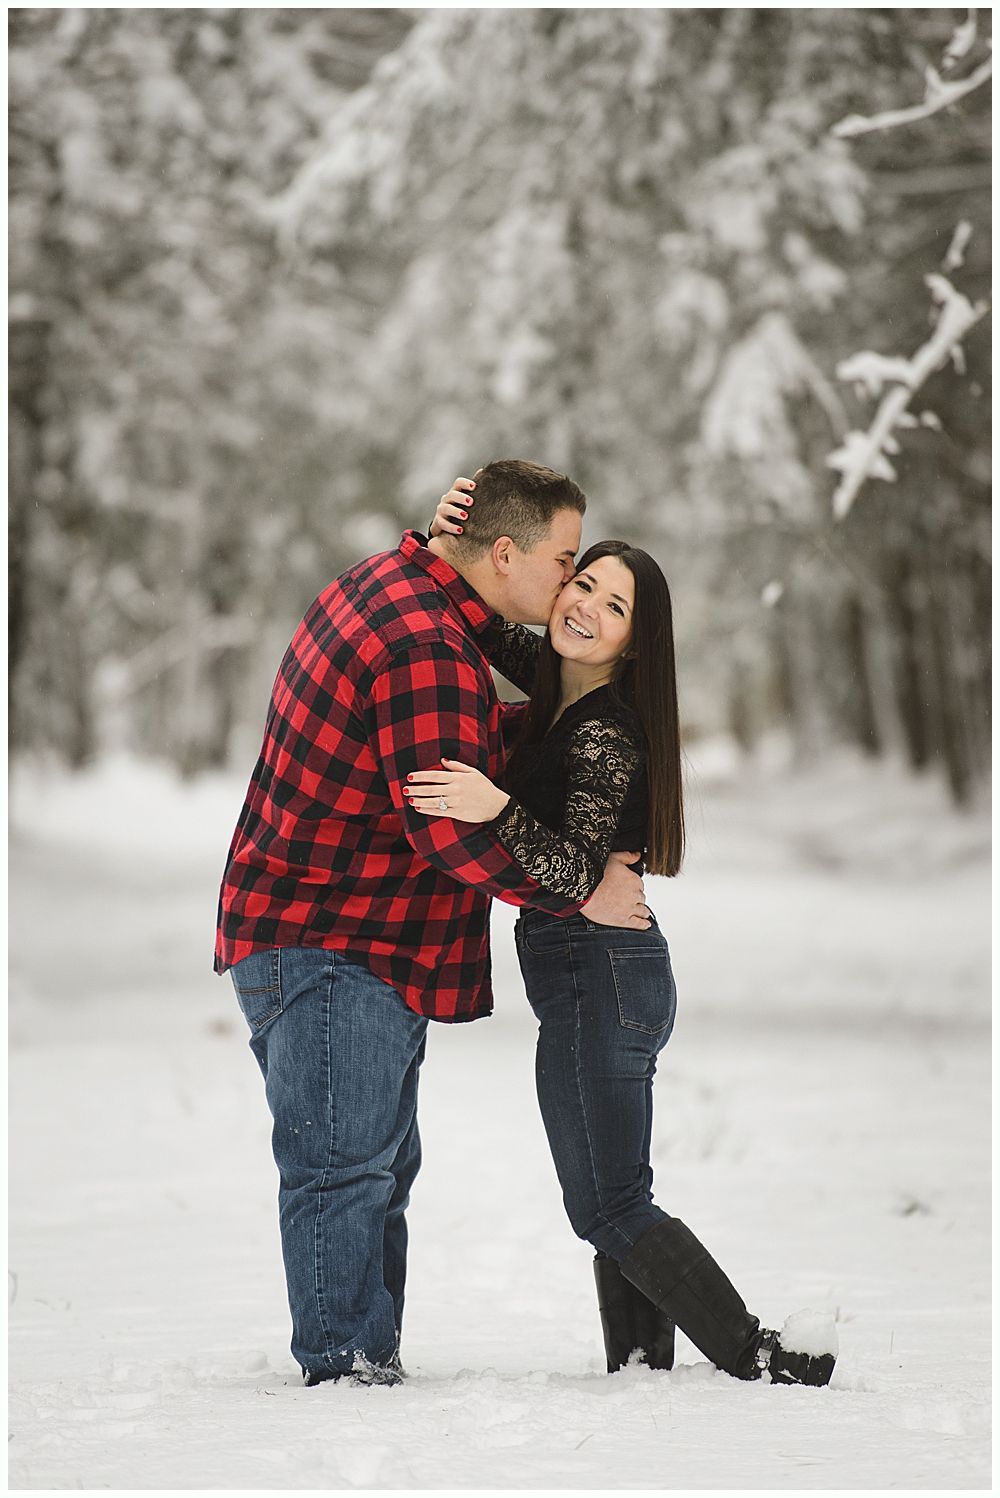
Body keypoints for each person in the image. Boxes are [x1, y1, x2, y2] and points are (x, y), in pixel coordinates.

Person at [214, 459, 654, 1388]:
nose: (569, 583)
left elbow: (468, 751)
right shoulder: (427, 649)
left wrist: (430, 539)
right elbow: (450, 835)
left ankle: (367, 1359)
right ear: (504, 552)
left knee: (374, 1170)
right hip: (335, 939)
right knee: (343, 1170)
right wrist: (583, 893)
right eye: (565, 559)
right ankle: (347, 1373)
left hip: (342, 933)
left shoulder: (395, 582)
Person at [408, 479, 839, 1388]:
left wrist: (494, 806)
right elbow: (476, 606)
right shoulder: (557, 683)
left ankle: (759, 1352)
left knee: (608, 1202)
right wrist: (445, 529)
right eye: (583, 584)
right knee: (614, 1198)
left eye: (615, 607)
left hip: (600, 972)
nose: (588, 609)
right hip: (594, 974)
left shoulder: (605, 728)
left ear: (635, 640)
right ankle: (642, 1370)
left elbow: (567, 874)